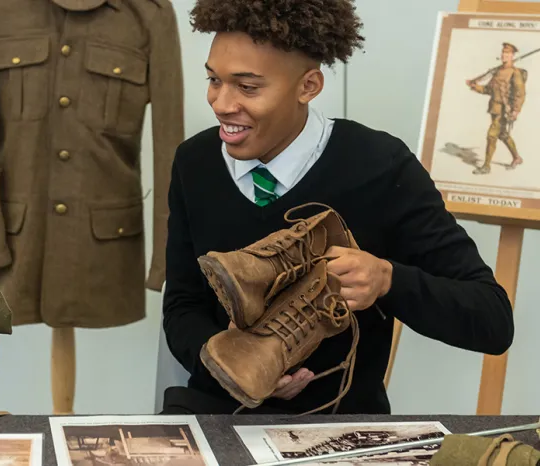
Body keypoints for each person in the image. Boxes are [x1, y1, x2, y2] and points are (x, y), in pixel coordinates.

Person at [160, 0, 514, 415]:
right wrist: (231, 367)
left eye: (248, 87)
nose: (220, 103)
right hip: (214, 414)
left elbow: (492, 320)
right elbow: (183, 305)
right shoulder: (195, 161)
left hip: (339, 424)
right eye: (214, 80)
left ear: (308, 86)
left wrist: (387, 280)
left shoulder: (380, 166)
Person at [466, 42, 526, 175]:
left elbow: (520, 94)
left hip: (505, 111)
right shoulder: (497, 71)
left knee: (492, 135)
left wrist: (516, 110)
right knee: (503, 134)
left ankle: (486, 166)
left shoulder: (514, 73)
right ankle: (517, 158)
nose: (504, 55)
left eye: (507, 54)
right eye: (503, 53)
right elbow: (488, 90)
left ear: (512, 56)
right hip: (494, 109)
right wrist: (475, 86)